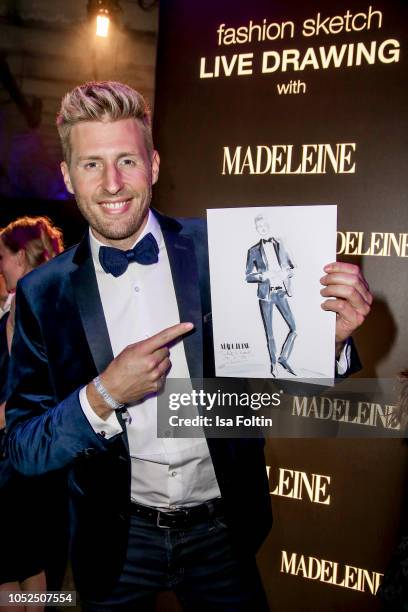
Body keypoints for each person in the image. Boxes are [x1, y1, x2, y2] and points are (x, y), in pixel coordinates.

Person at [5, 81, 372, 611]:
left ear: (153, 165)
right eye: (91, 164)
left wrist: (329, 339)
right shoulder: (42, 294)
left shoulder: (214, 249)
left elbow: (273, 365)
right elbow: (23, 445)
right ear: (67, 176)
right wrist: (103, 394)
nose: (112, 183)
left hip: (221, 533)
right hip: (116, 541)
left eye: (127, 160)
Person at [0, 216, 63, 612]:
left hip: (16, 464)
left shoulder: (29, 310)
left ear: (21, 257)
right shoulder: (50, 304)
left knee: (12, 577)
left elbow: (32, 396)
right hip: (41, 465)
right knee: (35, 576)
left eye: (2, 257)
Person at [246, 214, 297, 377]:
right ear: (256, 229)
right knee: (270, 333)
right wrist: (264, 276)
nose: (262, 229)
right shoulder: (253, 251)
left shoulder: (281, 243)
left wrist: (285, 273)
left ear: (269, 225)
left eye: (264, 226)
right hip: (265, 295)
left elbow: (292, 267)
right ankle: (274, 366)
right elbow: (248, 276)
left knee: (294, 328)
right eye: (259, 227)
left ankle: (283, 357)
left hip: (281, 292)